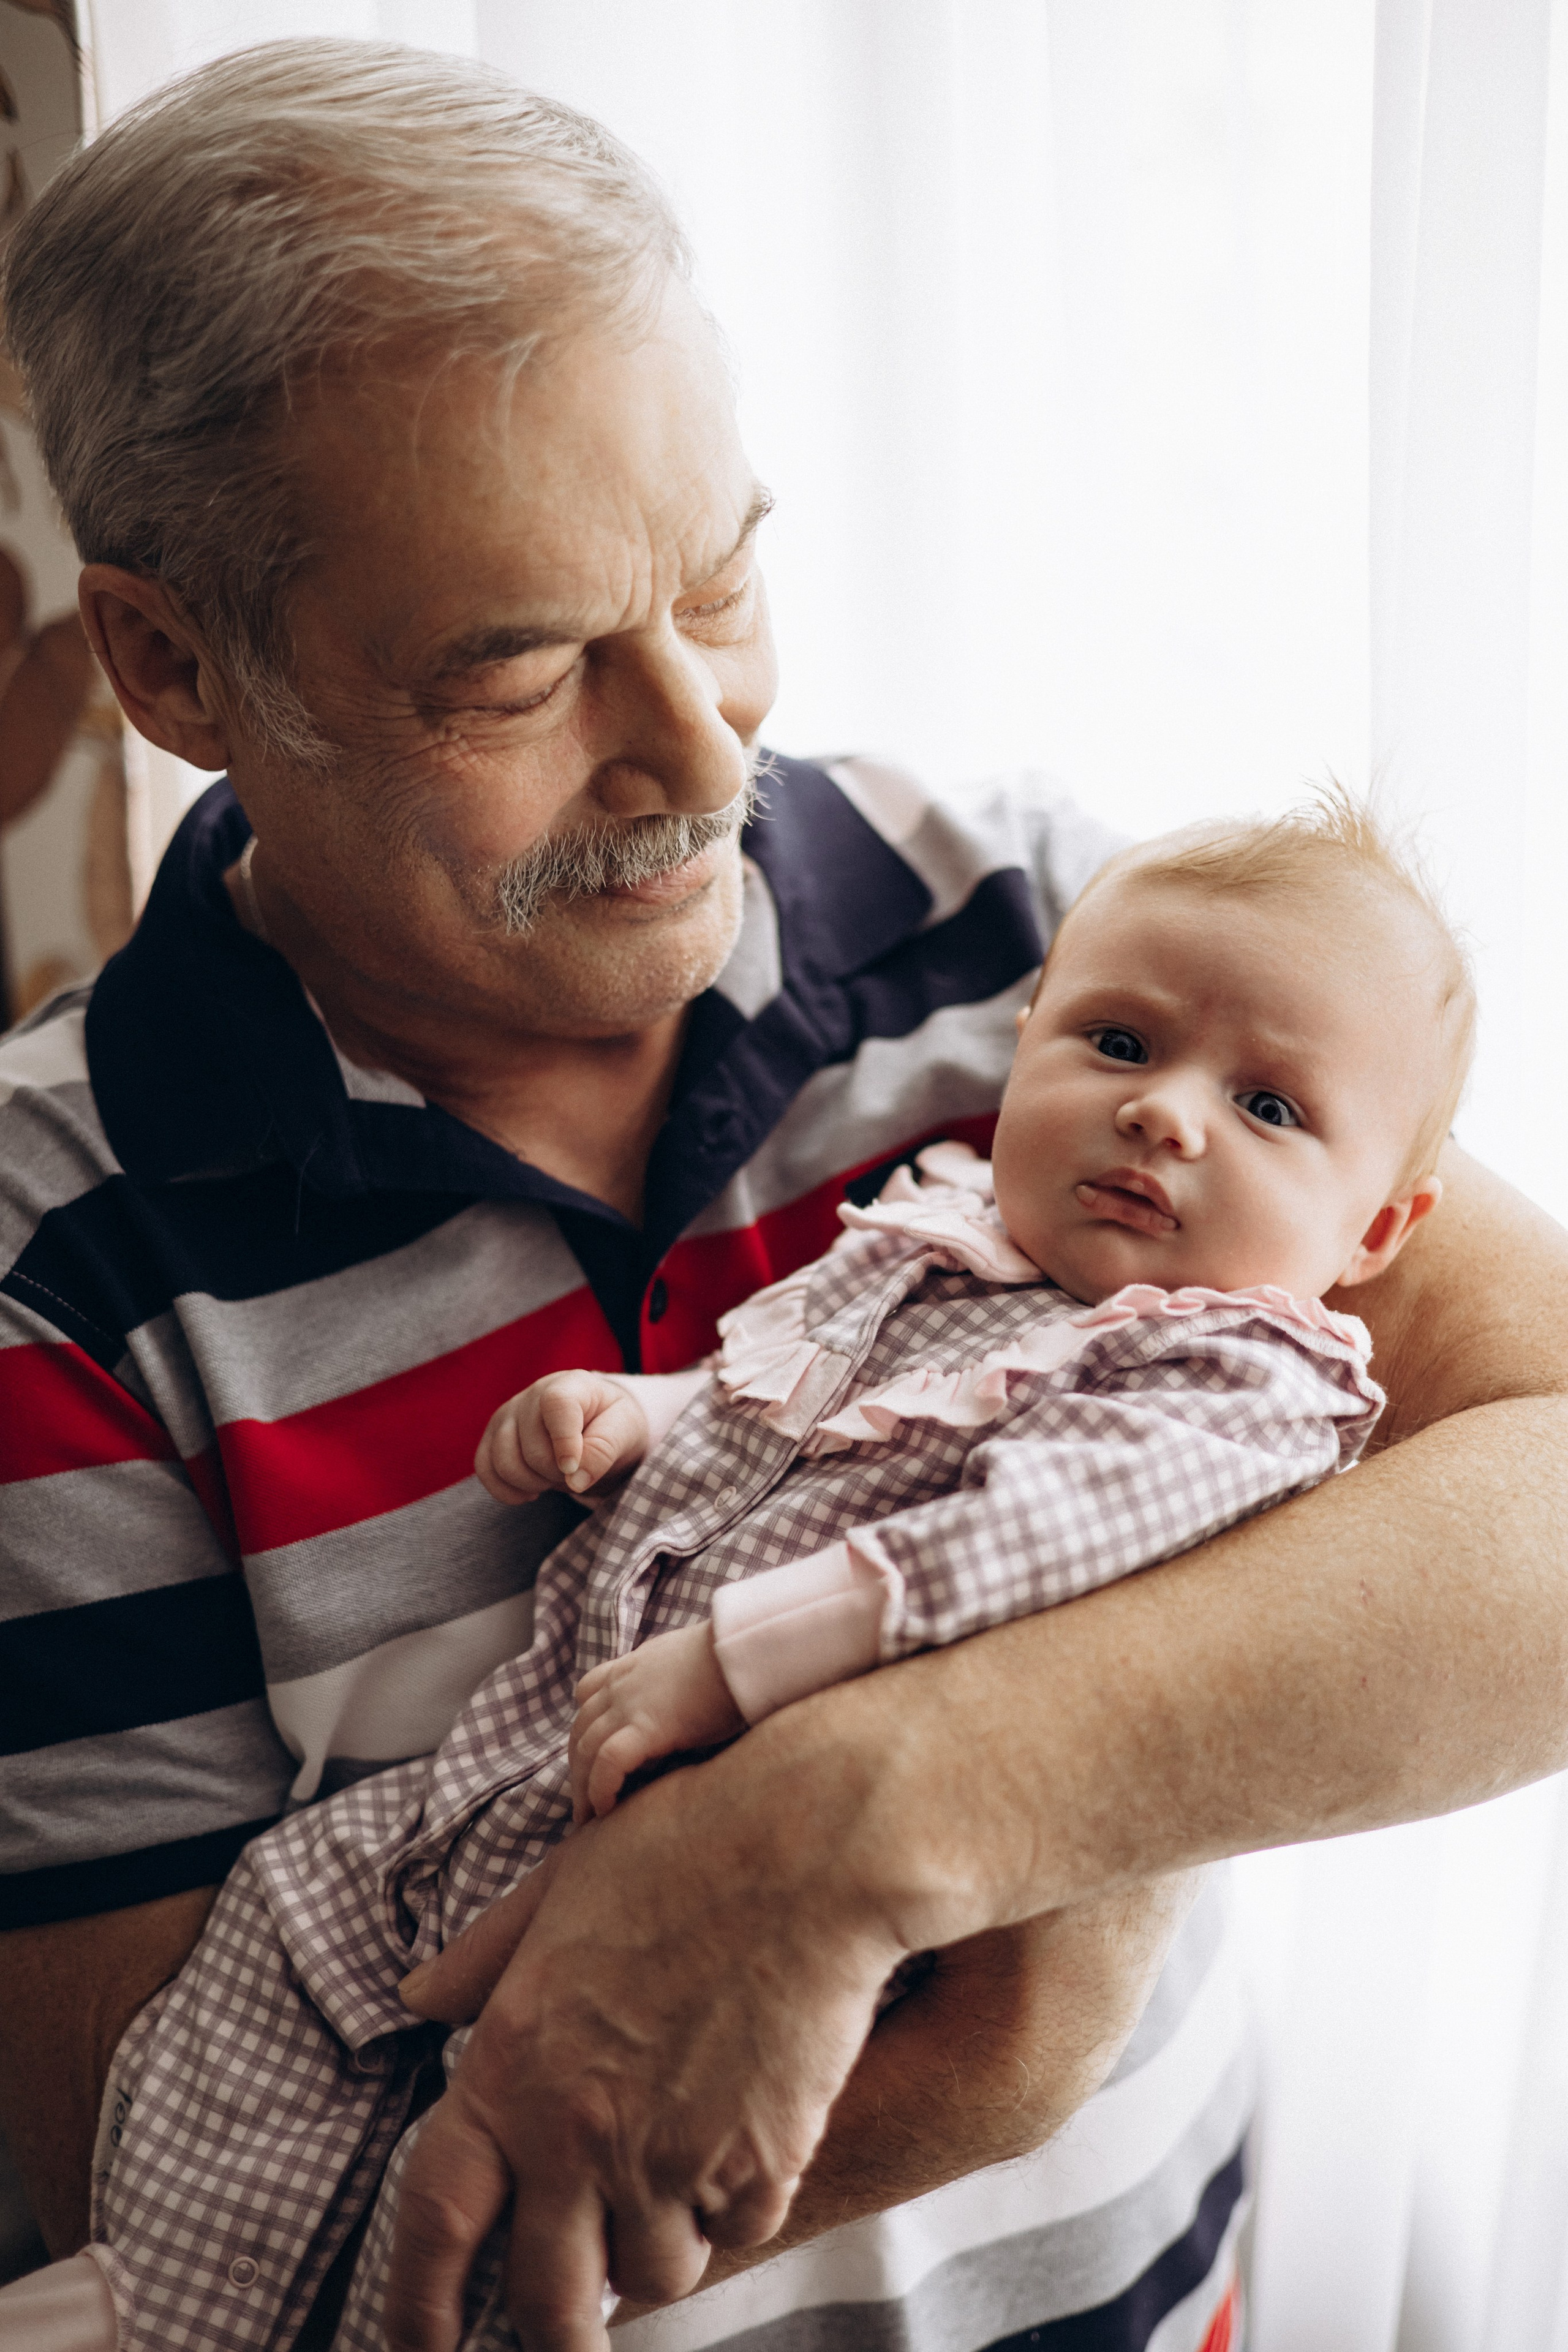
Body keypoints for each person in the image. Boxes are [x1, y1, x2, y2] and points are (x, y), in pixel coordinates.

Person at [1, 35, 1567, 2352]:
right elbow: (190, 2180)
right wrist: (1022, 1980)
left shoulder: (1063, 950)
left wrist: (883, 1820)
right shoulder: (57, 1280)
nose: (705, 752)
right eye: (520, 669)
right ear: (174, 661)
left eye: (722, 582)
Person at [3, 798, 1468, 2352]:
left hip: (785, 1846)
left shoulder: (1230, 1377)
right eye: (1114, 1047)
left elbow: (1003, 1550)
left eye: (1266, 1109)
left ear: (1375, 1228)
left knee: (512, 2157)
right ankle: (172, 2304)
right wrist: (632, 1415)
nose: (1166, 1115)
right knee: (288, 1932)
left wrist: (730, 1665)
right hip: (527, 1757)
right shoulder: (940, 1244)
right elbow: (774, 1380)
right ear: (1022, 1036)